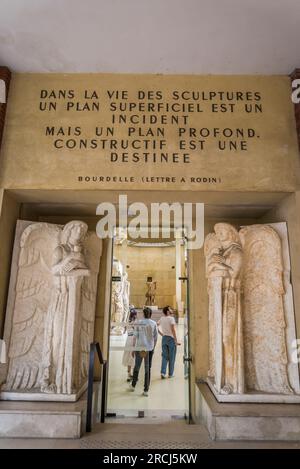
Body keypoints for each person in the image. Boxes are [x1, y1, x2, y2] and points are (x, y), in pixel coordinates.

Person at [129, 307, 158, 396]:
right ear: (151, 314)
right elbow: (155, 337)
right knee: (147, 368)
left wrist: (133, 349)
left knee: (137, 367)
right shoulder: (153, 323)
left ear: (143, 314)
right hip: (149, 348)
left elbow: (135, 337)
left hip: (139, 347)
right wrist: (153, 347)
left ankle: (133, 385)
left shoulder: (139, 323)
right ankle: (146, 390)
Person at [158, 306, 181, 379]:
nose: (171, 310)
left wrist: (161, 334)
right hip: (171, 339)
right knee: (172, 357)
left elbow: (156, 326)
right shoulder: (171, 318)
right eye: (170, 309)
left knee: (164, 356)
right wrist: (176, 340)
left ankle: (163, 372)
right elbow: (173, 330)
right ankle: (170, 374)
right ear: (168, 311)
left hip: (164, 338)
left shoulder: (161, 318)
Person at [122, 309, 137, 382]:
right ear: (135, 315)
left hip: (128, 340)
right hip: (133, 340)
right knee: (133, 357)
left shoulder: (127, 322)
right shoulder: (135, 323)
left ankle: (128, 375)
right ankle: (134, 374)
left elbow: (125, 331)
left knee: (128, 357)